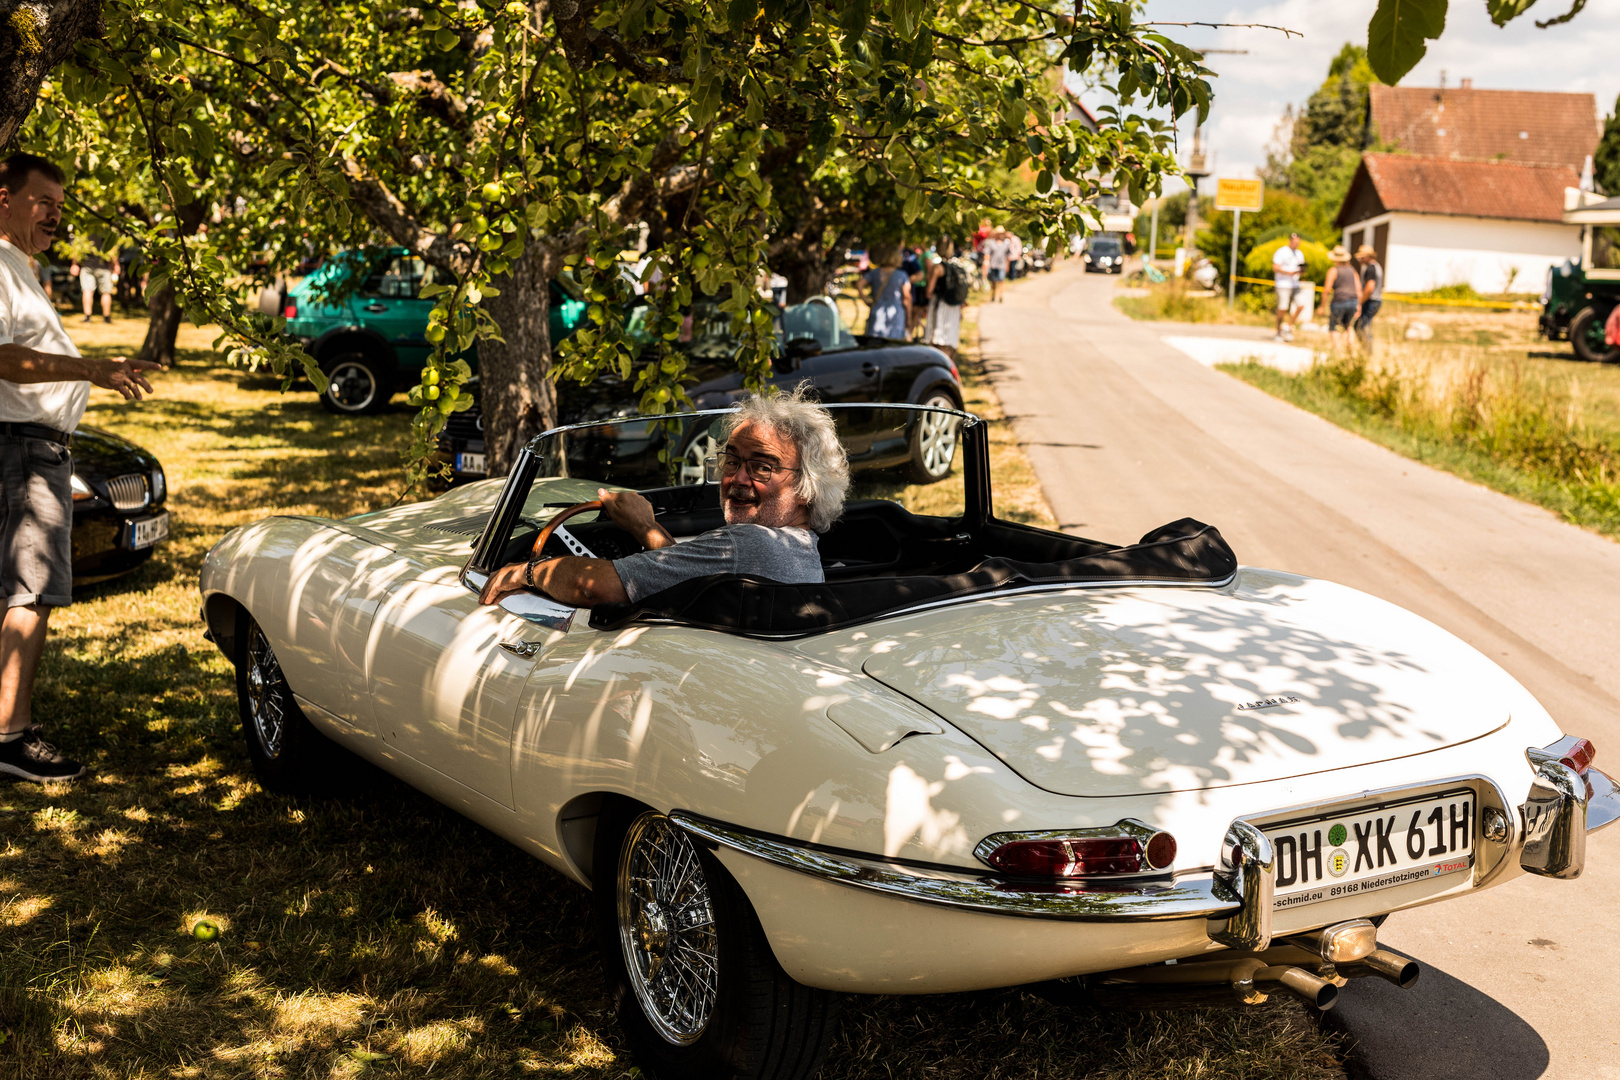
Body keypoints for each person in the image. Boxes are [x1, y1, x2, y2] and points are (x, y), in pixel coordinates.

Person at [1, 153, 163, 783]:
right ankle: (10, 740)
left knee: (18, 591)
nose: (55, 216)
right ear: (5, 199)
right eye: (44, 202)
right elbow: (6, 359)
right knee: (30, 591)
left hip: (33, 445)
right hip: (25, 449)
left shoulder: (22, 266)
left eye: (61, 208)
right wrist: (91, 370)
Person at [479, 389, 850, 609]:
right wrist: (645, 527)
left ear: (807, 487)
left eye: (762, 467)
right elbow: (683, 572)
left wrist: (526, 572)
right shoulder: (798, 546)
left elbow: (594, 585)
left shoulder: (751, 543)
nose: (737, 478)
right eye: (732, 460)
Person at [923, 238, 966, 360]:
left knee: (939, 340)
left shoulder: (938, 267)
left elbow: (929, 291)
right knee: (949, 339)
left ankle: (941, 367)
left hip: (940, 305)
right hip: (954, 306)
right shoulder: (958, 265)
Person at [859, 245, 911, 340]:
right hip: (895, 314)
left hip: (877, 311)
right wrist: (909, 318)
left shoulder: (875, 272)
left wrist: (866, 300)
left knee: (875, 345)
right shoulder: (902, 275)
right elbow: (907, 298)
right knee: (892, 347)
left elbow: (859, 284)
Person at [1324, 245, 1362, 354]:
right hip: (1353, 301)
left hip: (1339, 301)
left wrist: (1322, 306)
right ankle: (1349, 351)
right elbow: (1358, 288)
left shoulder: (1333, 271)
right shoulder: (1352, 271)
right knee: (1348, 326)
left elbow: (1326, 289)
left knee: (1334, 327)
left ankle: (1337, 352)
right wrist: (1359, 304)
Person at [70, 240, 117, 325]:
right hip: (102, 266)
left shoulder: (85, 230)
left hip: (89, 266)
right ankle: (106, 318)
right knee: (105, 292)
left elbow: (77, 247)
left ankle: (87, 317)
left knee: (88, 291)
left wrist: (74, 263)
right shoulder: (107, 230)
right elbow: (113, 249)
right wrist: (116, 264)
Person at [1272, 233, 1305, 342]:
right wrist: (1288, 272)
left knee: (1301, 305)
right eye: (1295, 242)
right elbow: (1275, 267)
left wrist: (1301, 271)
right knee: (1283, 308)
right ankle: (1278, 331)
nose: (1296, 244)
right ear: (1290, 241)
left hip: (1295, 284)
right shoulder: (1282, 252)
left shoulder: (1299, 254)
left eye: (1298, 242)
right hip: (1283, 284)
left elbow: (1301, 269)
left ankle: (1288, 327)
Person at [1354, 244, 1384, 354]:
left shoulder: (1370, 268)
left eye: (1361, 257)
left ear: (1368, 256)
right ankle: (1367, 350)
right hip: (1375, 300)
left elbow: (1369, 287)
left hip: (1371, 300)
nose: (1360, 259)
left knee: (1361, 326)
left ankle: (1367, 351)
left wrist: (1361, 301)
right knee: (1365, 325)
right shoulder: (1376, 266)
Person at [982, 226, 1013, 303]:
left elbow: (1008, 255)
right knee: (994, 281)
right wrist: (986, 263)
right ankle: (993, 295)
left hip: (1002, 265)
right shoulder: (991, 242)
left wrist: (1008, 265)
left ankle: (1001, 296)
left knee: (1002, 280)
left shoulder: (1006, 243)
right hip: (993, 264)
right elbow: (987, 254)